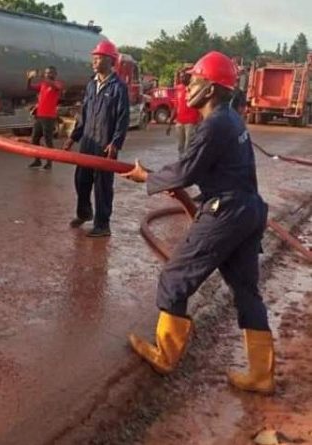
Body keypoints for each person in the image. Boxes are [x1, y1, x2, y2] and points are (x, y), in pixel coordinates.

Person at [122, 51, 274, 394]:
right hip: (248, 210)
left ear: (210, 88)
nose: (186, 85)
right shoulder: (232, 119)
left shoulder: (215, 124)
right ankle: (262, 374)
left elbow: (186, 171)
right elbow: (203, 169)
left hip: (227, 212)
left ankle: (165, 353)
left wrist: (147, 176)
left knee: (175, 276)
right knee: (246, 290)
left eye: (193, 79)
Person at [62, 40, 129, 237]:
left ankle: (103, 225)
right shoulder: (91, 85)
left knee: (102, 186)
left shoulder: (118, 87)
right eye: (94, 58)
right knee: (81, 180)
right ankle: (84, 213)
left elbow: (122, 118)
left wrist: (115, 143)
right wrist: (73, 138)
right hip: (88, 142)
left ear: (110, 61)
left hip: (105, 145)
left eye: (98, 58)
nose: (94, 61)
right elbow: (83, 115)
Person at [27, 66, 64, 170]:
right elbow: (30, 88)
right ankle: (37, 160)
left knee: (48, 140)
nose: (48, 74)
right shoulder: (43, 84)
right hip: (39, 116)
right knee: (34, 139)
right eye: (46, 73)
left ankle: (49, 162)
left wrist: (41, 76)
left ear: (55, 74)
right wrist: (29, 78)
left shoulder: (57, 84)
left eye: (50, 73)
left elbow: (56, 86)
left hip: (49, 117)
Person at [167, 70, 200, 159]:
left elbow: (200, 106)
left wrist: (200, 122)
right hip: (180, 122)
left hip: (191, 122)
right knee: (180, 146)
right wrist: (170, 123)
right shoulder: (178, 89)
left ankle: (188, 165)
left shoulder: (195, 89)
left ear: (189, 78)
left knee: (188, 146)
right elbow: (175, 106)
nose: (182, 79)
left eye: (184, 77)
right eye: (181, 77)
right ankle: (181, 164)